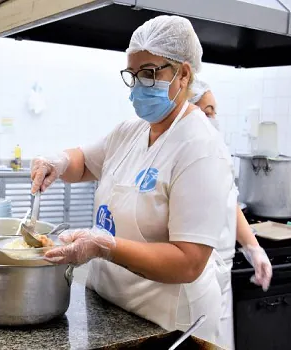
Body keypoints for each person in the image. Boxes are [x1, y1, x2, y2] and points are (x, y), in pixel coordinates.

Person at [32, 16, 236, 348]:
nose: (140, 84)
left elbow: (189, 261)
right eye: (133, 74)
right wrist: (59, 161)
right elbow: (83, 162)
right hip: (112, 310)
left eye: (150, 73)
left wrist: (103, 246)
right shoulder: (132, 130)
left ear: (183, 74)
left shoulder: (200, 147)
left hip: (168, 327)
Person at [189, 78, 272, 292]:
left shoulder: (219, 152)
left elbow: (229, 203)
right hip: (195, 275)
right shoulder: (182, 156)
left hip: (222, 270)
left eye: (214, 112)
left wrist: (254, 249)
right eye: (208, 113)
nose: (214, 119)